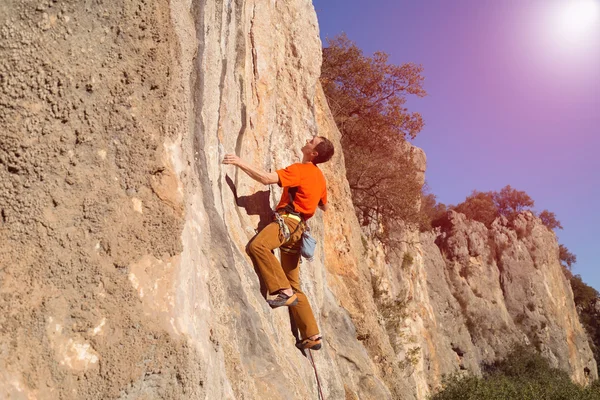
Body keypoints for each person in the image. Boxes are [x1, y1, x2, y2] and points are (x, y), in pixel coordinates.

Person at [222, 135, 334, 350]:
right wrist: (306, 198)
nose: (308, 139)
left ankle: (283, 291)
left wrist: (238, 161)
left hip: (288, 222)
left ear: (314, 154)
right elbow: (324, 206)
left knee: (258, 247)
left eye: (311, 141)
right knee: (296, 284)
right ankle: (312, 335)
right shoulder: (320, 178)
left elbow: (266, 179)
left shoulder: (301, 170)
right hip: (299, 230)